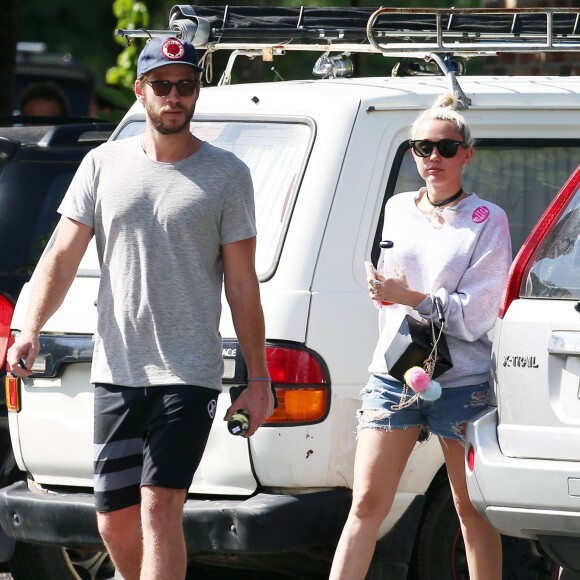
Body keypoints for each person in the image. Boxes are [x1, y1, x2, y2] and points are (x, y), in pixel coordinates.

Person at [7, 36, 274, 580]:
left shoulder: (226, 174)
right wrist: (28, 326)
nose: (174, 97)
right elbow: (59, 255)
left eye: (185, 86)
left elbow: (243, 285)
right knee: (114, 523)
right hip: (117, 369)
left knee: (158, 508)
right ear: (140, 92)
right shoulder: (102, 165)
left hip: (188, 372)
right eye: (162, 86)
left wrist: (259, 375)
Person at [329, 93, 512, 580]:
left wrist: (409, 297)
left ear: (467, 154)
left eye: (446, 148)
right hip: (396, 371)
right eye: (422, 148)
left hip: (461, 381)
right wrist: (384, 292)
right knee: (366, 503)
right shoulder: (396, 208)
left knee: (470, 509)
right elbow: (386, 290)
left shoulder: (486, 220)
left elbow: (475, 317)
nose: (434, 157)